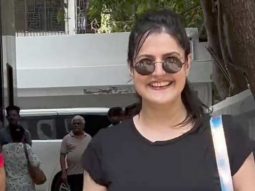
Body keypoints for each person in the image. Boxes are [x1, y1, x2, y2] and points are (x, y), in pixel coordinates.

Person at [81, 9, 255, 191]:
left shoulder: (227, 139)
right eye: (146, 62)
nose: (158, 72)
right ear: (131, 68)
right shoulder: (105, 148)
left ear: (187, 64)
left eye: (171, 60)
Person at [2, 125, 40, 191]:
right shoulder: (26, 147)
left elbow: (2, 165)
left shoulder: (4, 148)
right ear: (23, 136)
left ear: (11, 136)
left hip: (11, 185)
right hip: (26, 184)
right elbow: (35, 163)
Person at [60, 115, 92, 191]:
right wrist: (63, 172)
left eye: (78, 123)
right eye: (74, 124)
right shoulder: (66, 138)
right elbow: (62, 156)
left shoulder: (88, 138)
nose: (76, 125)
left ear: (83, 125)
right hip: (72, 173)